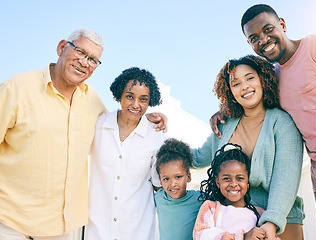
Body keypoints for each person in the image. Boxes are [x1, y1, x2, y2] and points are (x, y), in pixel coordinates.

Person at [0, 29, 167, 240]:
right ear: (62, 48)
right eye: (80, 52)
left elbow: (124, 123)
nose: (85, 62)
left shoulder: (93, 102)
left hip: (61, 228)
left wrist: (148, 117)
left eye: (93, 59)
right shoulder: (16, 89)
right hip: (10, 222)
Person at [211, 4, 316, 240]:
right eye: (254, 38)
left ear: (282, 23)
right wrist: (222, 112)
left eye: (268, 29)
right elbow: (251, 101)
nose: (264, 39)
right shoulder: (272, 79)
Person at [193, 55, 304, 240]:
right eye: (236, 83)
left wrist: (271, 221)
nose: (244, 86)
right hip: (236, 224)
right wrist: (156, 137)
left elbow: (286, 177)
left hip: (280, 219)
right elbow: (197, 157)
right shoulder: (224, 124)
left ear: (263, 79)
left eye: (250, 78)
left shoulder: (282, 122)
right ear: (230, 92)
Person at [85, 67, 168, 240]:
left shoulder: (156, 134)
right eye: (130, 96)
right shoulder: (98, 125)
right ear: (119, 95)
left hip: (138, 231)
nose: (136, 104)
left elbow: (160, 183)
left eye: (143, 99)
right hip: (98, 230)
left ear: (149, 101)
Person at [193, 143, 281, 240]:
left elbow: (271, 236)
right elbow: (201, 235)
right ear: (217, 182)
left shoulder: (260, 214)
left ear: (247, 182)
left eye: (239, 178)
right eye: (226, 178)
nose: (233, 184)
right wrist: (242, 237)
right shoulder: (211, 208)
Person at [155, 138, 202, 240]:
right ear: (160, 180)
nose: (173, 184)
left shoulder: (200, 199)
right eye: (166, 179)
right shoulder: (159, 197)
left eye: (178, 177)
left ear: (188, 177)